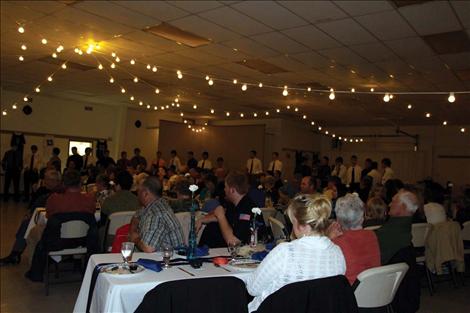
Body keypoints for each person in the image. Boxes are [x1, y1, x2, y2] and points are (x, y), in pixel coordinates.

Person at [245, 194, 346, 312]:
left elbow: (252, 288)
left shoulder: (285, 252)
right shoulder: (337, 253)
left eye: (293, 223)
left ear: (301, 225)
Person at [0, 169, 62, 266]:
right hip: (47, 219)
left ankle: (15, 254)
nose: (44, 181)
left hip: (53, 223)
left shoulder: (58, 193)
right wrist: (30, 211)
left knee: (27, 224)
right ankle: (15, 253)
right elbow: (35, 203)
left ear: (55, 181)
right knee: (27, 222)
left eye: (47, 179)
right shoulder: (44, 190)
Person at [198, 171, 267, 247]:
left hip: (245, 252)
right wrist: (202, 220)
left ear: (232, 190)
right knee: (213, 227)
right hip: (229, 250)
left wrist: (221, 216)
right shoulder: (234, 205)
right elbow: (225, 219)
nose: (224, 190)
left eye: (225, 187)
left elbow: (233, 242)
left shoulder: (247, 209)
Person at [331, 193, 381, 284]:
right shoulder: (372, 235)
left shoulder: (336, 242)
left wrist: (329, 238)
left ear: (338, 220)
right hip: (373, 288)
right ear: (362, 218)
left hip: (349, 293)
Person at [128, 176, 184, 252]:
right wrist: (134, 230)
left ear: (145, 194)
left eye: (138, 191)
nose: (137, 194)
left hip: (167, 259)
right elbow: (136, 216)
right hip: (164, 256)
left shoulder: (156, 214)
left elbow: (148, 248)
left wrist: (135, 238)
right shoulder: (159, 203)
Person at [375, 188, 418, 264]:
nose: (389, 204)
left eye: (393, 202)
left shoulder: (389, 232)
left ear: (403, 207)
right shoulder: (406, 228)